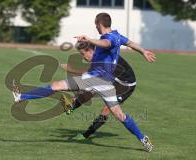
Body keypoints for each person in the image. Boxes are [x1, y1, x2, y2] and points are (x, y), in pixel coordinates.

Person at [12, 12, 156, 152]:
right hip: (106, 84)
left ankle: (22, 97)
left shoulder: (109, 38)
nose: (96, 27)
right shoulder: (118, 36)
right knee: (120, 116)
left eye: (96, 24)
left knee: (56, 86)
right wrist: (143, 51)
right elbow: (130, 43)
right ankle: (143, 139)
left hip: (98, 79)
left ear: (100, 24)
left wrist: (89, 40)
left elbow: (105, 43)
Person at [60, 41, 137, 141]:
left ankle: (86, 134)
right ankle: (71, 108)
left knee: (107, 108)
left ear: (91, 51)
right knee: (90, 91)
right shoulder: (98, 56)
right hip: (114, 79)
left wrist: (71, 69)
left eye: (83, 54)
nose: (83, 57)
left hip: (126, 85)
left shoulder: (102, 59)